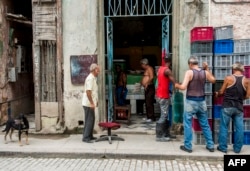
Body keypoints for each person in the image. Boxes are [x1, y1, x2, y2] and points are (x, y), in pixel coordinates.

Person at [175, 56, 216, 153]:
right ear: (197, 63)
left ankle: (188, 146)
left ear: (190, 64)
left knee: (188, 124)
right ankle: (210, 145)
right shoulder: (204, 72)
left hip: (191, 102)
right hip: (202, 101)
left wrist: (177, 85)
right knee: (205, 124)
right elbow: (213, 80)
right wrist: (207, 69)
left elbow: (183, 87)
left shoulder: (189, 72)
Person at [215, 62, 250, 153]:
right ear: (242, 70)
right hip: (239, 107)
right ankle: (237, 149)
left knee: (224, 126)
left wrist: (217, 94)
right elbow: (247, 96)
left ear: (233, 69)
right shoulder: (247, 81)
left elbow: (222, 92)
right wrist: (239, 97)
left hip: (227, 106)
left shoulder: (228, 78)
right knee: (239, 128)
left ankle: (223, 147)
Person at [155, 56, 177, 141]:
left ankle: (166, 133)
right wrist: (178, 85)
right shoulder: (167, 70)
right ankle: (159, 136)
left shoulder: (160, 69)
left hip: (160, 95)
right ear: (170, 62)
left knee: (165, 115)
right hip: (163, 96)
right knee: (164, 116)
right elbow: (173, 81)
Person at [82, 63, 100, 143]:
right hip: (88, 104)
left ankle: (89, 136)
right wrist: (92, 103)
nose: (98, 71)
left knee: (91, 120)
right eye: (97, 70)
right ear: (93, 70)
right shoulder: (90, 78)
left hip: (90, 103)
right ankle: (86, 138)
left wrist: (96, 101)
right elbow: (88, 92)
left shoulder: (93, 78)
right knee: (89, 120)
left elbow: (93, 92)